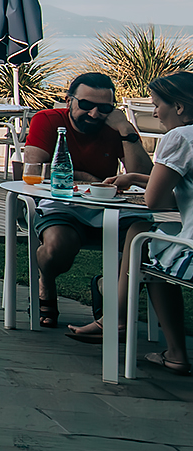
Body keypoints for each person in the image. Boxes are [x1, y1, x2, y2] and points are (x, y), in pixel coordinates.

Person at [64, 72, 191, 374]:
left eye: (158, 105)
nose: (156, 113)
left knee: (144, 243)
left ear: (180, 107)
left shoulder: (179, 138)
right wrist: (134, 177)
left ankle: (117, 321)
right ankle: (118, 319)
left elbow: (155, 201)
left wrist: (139, 183)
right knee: (142, 234)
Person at [22, 72, 152, 330]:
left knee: (144, 243)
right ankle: (46, 280)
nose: (94, 114)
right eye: (86, 105)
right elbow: (32, 168)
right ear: (69, 100)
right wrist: (82, 177)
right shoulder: (48, 120)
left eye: (104, 108)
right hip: (62, 203)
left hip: (108, 206)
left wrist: (126, 130)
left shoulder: (116, 129)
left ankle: (110, 291)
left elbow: (145, 176)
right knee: (57, 247)